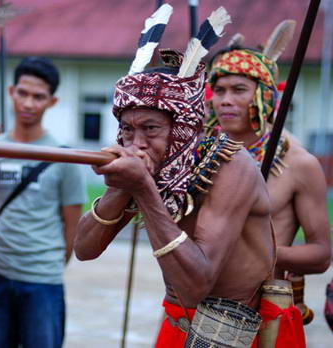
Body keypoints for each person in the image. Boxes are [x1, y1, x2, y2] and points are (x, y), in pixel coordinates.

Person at [73, 30, 288, 346]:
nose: (137, 144)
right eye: (127, 130)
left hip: (235, 331)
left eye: (150, 129)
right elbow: (84, 250)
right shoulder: (151, 161)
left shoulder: (231, 164)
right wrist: (119, 189)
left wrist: (143, 188)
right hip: (178, 322)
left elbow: (195, 285)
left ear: (185, 130)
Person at [0, 56, 86, 348]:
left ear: (52, 101)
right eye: (22, 93)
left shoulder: (66, 158)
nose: (28, 103)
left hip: (42, 280)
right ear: (11, 92)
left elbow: (72, 226)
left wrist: (49, 264)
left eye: (39, 96)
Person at [208, 47, 331, 286]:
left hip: (259, 307)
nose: (225, 101)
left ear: (264, 96)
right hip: (190, 300)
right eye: (219, 91)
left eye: (239, 90)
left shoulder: (298, 164)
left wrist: (255, 253)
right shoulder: (202, 154)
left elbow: (321, 255)